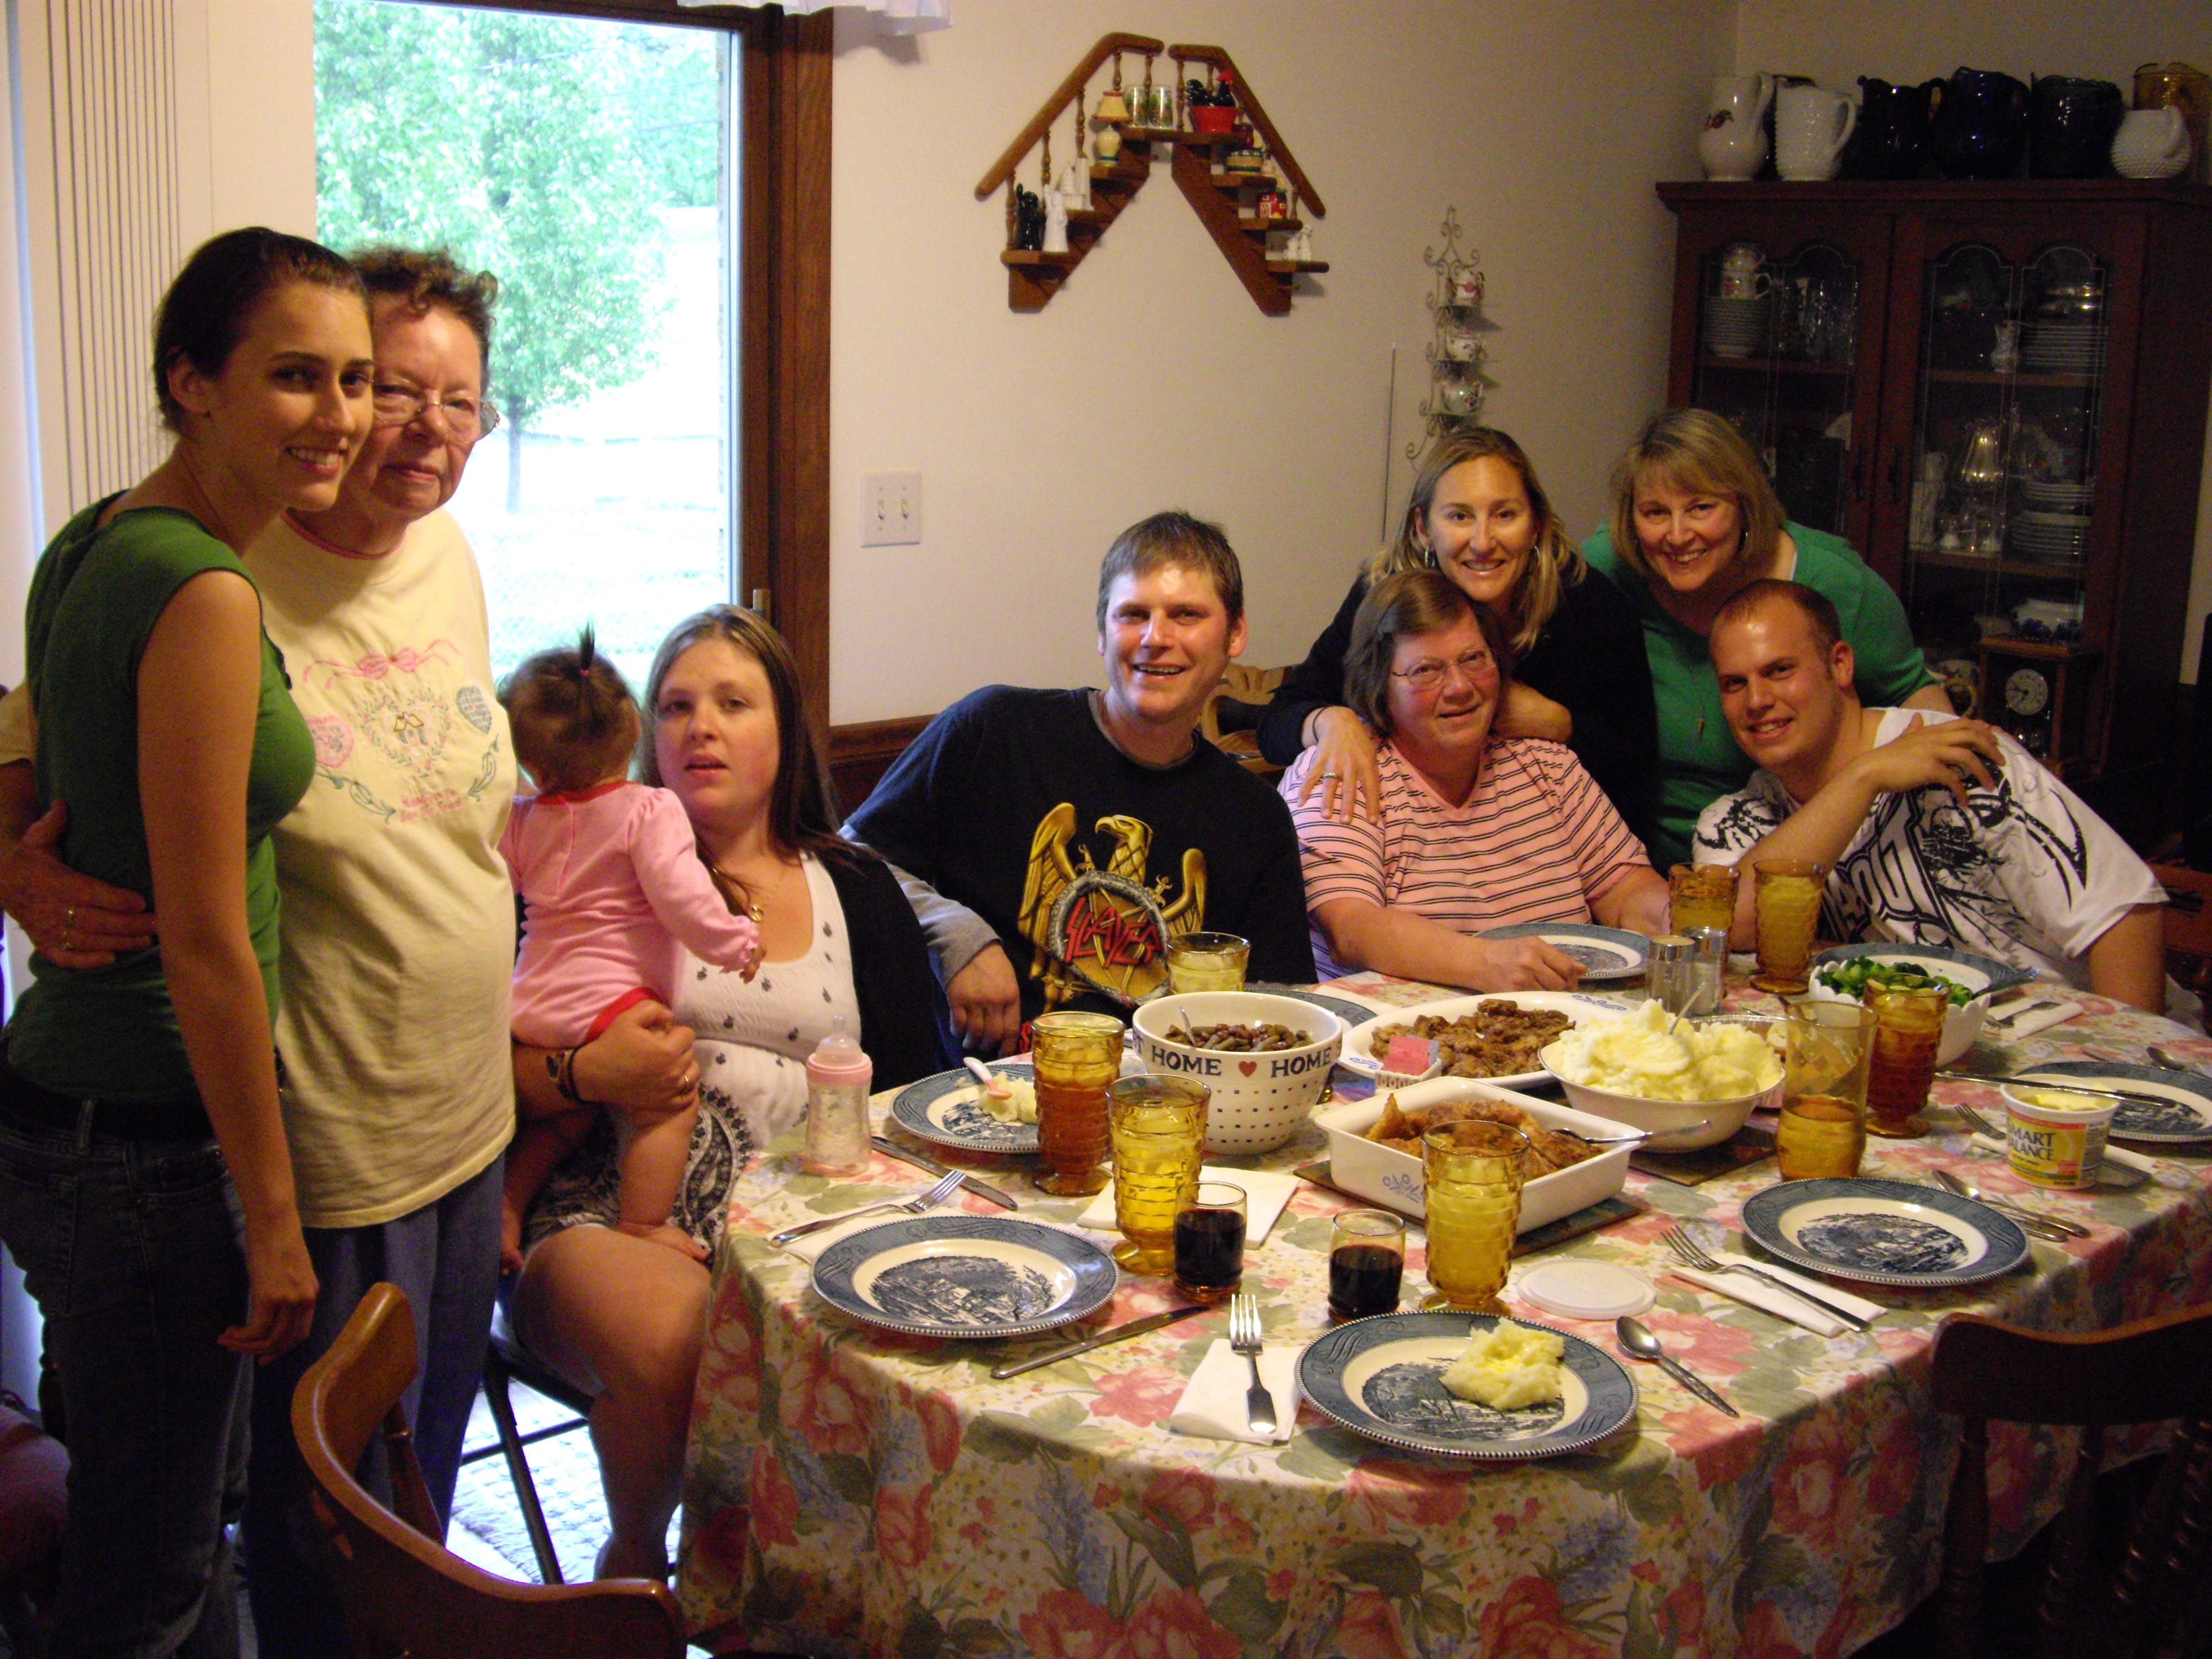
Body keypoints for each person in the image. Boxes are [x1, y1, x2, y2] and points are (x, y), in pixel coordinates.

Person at [0, 246, 520, 1658]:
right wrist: (15, 865)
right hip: (300, 1129)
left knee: (408, 1490)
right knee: (290, 1536)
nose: (400, 425)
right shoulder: (214, 566)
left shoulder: (444, 556)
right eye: (375, 386)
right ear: (201, 387)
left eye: (452, 399)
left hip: (460, 1112)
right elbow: (54, 748)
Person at [0, 227, 362, 1657]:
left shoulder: (94, 537)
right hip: (151, 1146)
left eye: (352, 379)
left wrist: (13, 852)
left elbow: (27, 725)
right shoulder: (203, 592)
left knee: (158, 1526)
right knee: (146, 1584)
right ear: (191, 382)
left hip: (65, 1116)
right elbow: (210, 941)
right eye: (294, 376)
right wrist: (272, 1217)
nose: (337, 414)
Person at [508, 606, 951, 1579]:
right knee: (685, 1343)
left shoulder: (855, 886)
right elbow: (477, 1078)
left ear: (786, 729)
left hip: (811, 1219)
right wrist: (587, 1073)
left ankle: (827, 1598)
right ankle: (635, 1588)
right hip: (606, 1214)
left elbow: (919, 1096)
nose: (700, 727)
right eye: (676, 706)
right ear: (643, 731)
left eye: (733, 703)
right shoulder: (577, 861)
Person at [845, 510, 1315, 1040]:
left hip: (1169, 1083)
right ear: (1101, 633)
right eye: (1133, 614)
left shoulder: (1255, 816)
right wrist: (955, 932)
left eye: (1187, 615)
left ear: (1235, 632)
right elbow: (845, 860)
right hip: (983, 1079)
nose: (1156, 637)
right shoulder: (994, 730)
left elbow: (1284, 1010)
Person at [1693, 580, 2168, 1012]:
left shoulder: (1959, 755)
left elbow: (2124, 913)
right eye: (1735, 684)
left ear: (1840, 665)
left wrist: (2120, 1062)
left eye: (1779, 671)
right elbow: (1732, 929)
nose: (1757, 701)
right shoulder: (1735, 821)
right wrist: (1864, 778)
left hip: (2070, 1035)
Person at [1583, 408, 1952, 870]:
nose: (1677, 536)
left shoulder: (1836, 583)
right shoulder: (1609, 569)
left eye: (1701, 508)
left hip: (1812, 863)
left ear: (1744, 505)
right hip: (1642, 868)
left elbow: (1919, 705)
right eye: (1655, 513)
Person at [498, 630, 763, 1268]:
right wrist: (736, 941)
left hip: (531, 1006)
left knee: (566, 1120)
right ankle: (644, 1225)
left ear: (536, 767)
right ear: (635, 732)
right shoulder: (648, 811)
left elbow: (495, 883)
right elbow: (683, 898)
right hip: (610, 1004)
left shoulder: (521, 820)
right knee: (668, 1103)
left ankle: (505, 1208)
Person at [1260, 429, 1660, 851]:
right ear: (1423, 528)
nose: (1483, 542)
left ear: (1536, 524)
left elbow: (1638, 773)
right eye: (1459, 517)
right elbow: (1276, 723)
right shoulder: (1383, 599)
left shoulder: (1591, 607)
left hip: (1553, 848)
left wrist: (1563, 726)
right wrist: (1330, 721)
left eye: (1505, 515)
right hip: (1414, 841)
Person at [1284, 569, 1670, 989]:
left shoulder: (1547, 764)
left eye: (1473, 659)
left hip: (1562, 1018)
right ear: (1378, 684)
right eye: (1426, 671)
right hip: (1393, 1026)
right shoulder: (1341, 770)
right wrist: (1489, 962)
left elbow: (1625, 889)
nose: (1460, 687)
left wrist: (1679, 917)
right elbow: (1352, 929)